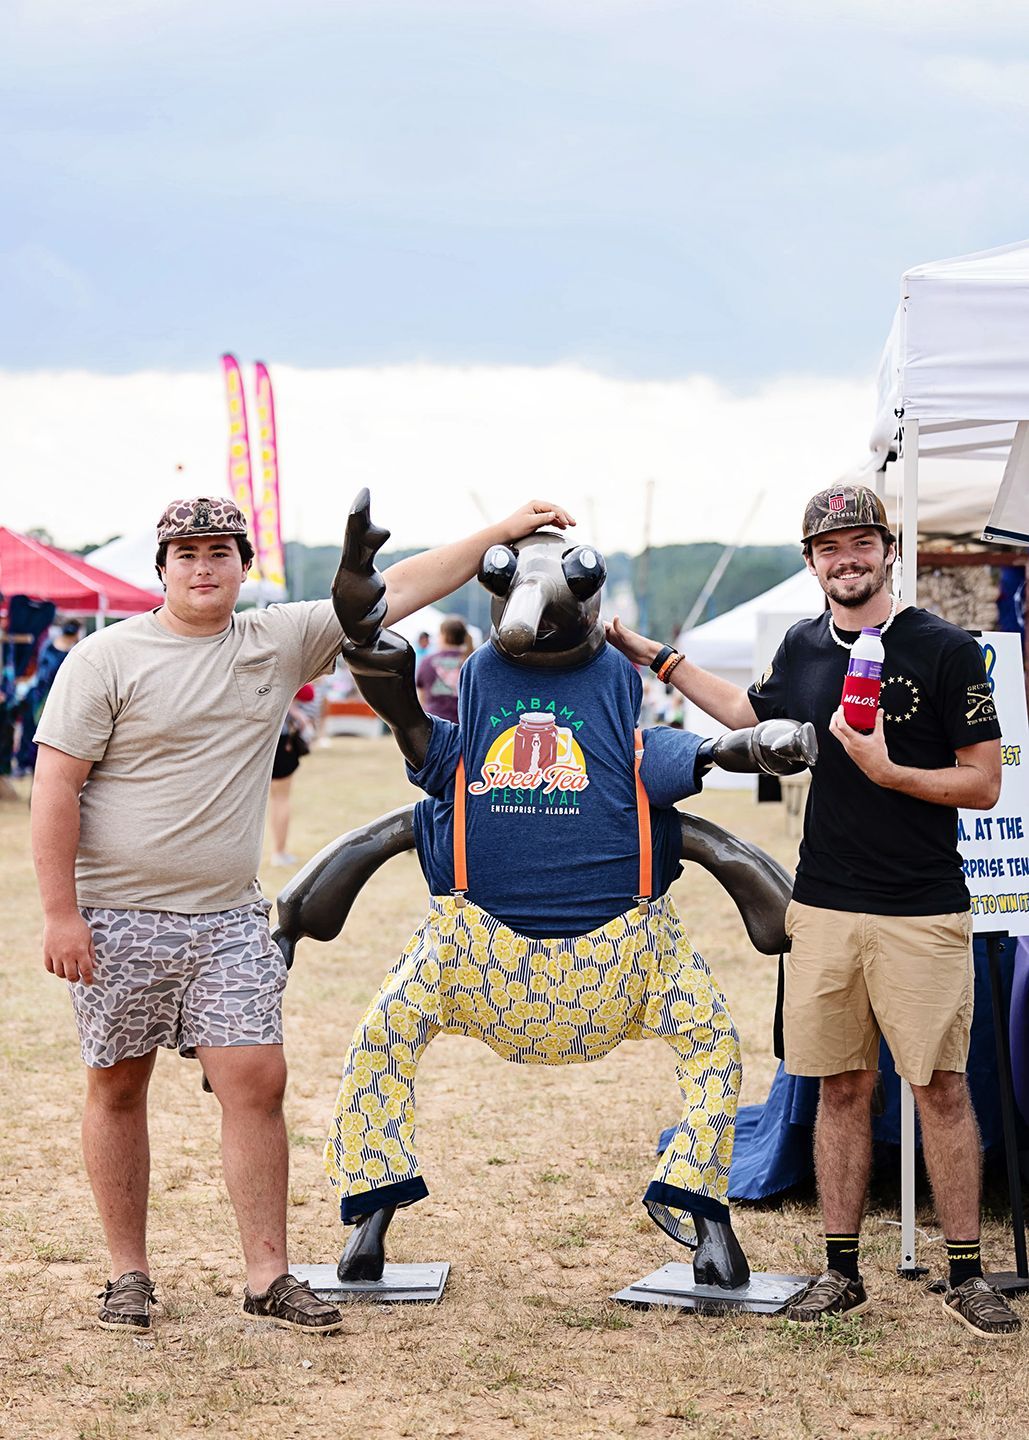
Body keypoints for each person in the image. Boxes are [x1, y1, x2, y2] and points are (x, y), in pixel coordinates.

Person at [30, 492, 574, 1336]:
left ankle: (267, 1275)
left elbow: (392, 591)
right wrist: (61, 913)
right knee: (117, 1087)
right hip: (119, 915)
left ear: (246, 566)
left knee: (257, 1081)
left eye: (220, 552)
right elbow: (57, 786)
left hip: (226, 918)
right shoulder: (106, 659)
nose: (203, 567)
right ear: (162, 570)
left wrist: (501, 534)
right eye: (187, 554)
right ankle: (127, 1275)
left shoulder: (274, 639)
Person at [607, 483, 1022, 1339]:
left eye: (860, 543)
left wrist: (888, 771)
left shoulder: (943, 650)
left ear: (886, 552)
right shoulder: (801, 647)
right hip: (824, 906)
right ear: (810, 563)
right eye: (829, 548)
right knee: (839, 1088)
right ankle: (839, 1273)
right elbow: (743, 714)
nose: (847, 559)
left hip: (921, 909)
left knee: (940, 1089)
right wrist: (653, 656)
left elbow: (982, 784)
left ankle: (966, 1274)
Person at [268, 689, 315, 867]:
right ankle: (279, 852)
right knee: (281, 798)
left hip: (253, 737)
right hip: (280, 738)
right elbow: (308, 693)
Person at [415, 614, 469, 722]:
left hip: (435, 725)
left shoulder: (427, 662)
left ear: (443, 635)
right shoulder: (471, 661)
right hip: (465, 726)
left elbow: (420, 697)